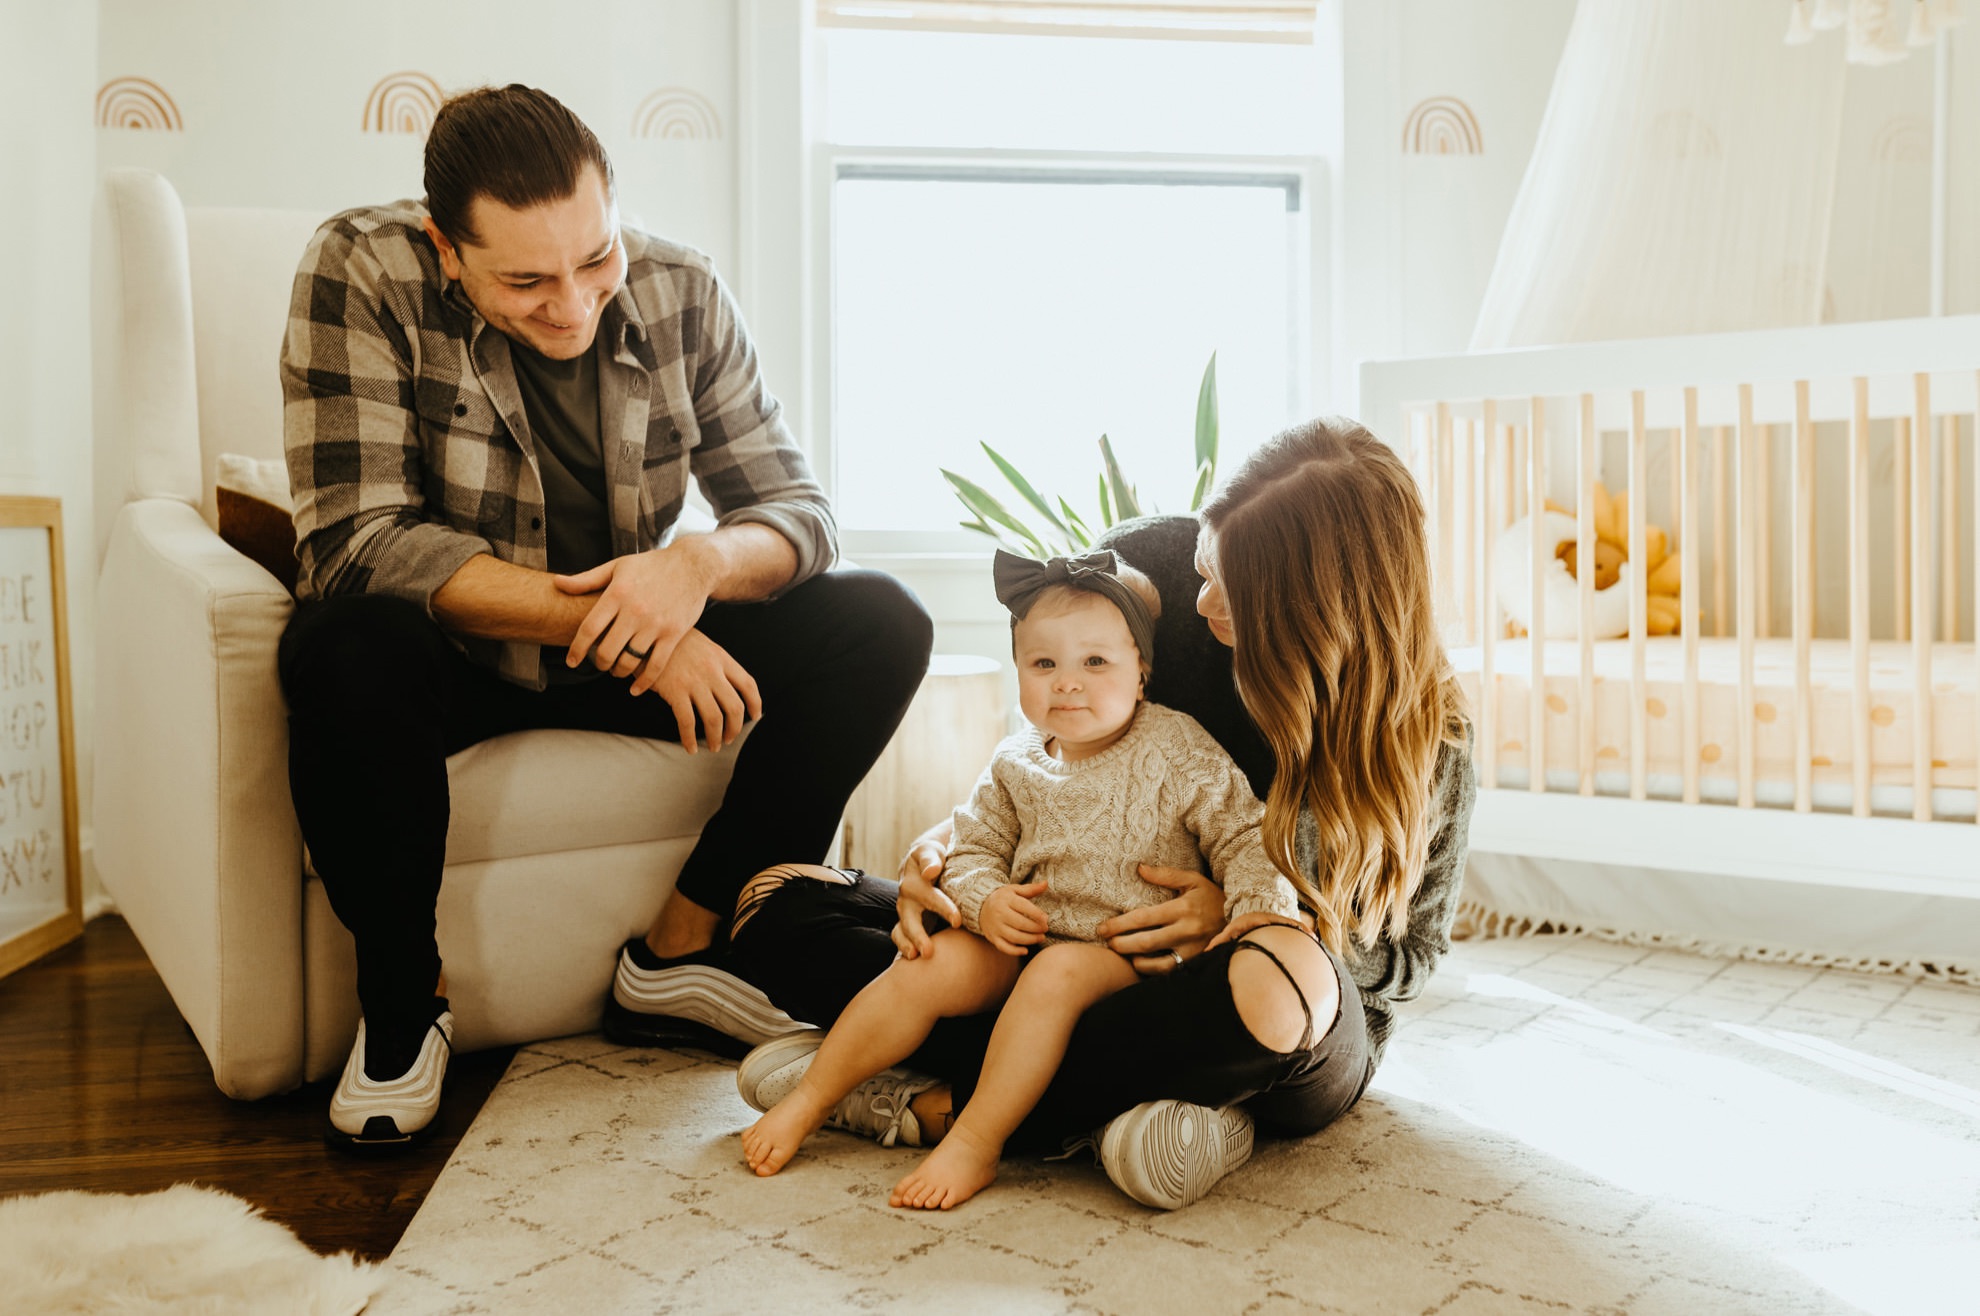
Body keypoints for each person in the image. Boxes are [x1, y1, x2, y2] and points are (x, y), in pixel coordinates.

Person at [279, 84, 930, 1147]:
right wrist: (642, 631)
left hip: (628, 649)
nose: (573, 304)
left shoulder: (684, 289)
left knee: (882, 620)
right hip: (453, 659)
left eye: (596, 258)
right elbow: (357, 543)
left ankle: (685, 949)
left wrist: (697, 566)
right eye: (526, 280)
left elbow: (798, 515)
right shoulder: (360, 268)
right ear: (448, 249)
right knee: (342, 644)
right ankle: (405, 1003)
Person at [718, 418, 1476, 1209]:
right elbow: (1049, 753)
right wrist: (945, 858)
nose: (1203, 598)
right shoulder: (1146, 573)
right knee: (774, 905)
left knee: (1281, 988)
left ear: (1311, 611)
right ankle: (1137, 1109)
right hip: (1055, 941)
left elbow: (1412, 958)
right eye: (1203, 566)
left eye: (1232, 588)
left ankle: (940, 1107)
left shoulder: (1429, 732)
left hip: (1242, 1007)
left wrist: (1245, 919)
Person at [740, 549, 1298, 1208]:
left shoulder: (1180, 749)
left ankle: (973, 1139)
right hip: (1025, 939)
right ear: (1019, 674)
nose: (1067, 683)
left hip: (1120, 953)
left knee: (1056, 976)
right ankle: (813, 1096)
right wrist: (985, 901)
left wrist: (1260, 912)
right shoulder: (1014, 760)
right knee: (929, 961)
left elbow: (1244, 836)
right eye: (1044, 664)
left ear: (1141, 673)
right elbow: (974, 848)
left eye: (1095, 662)